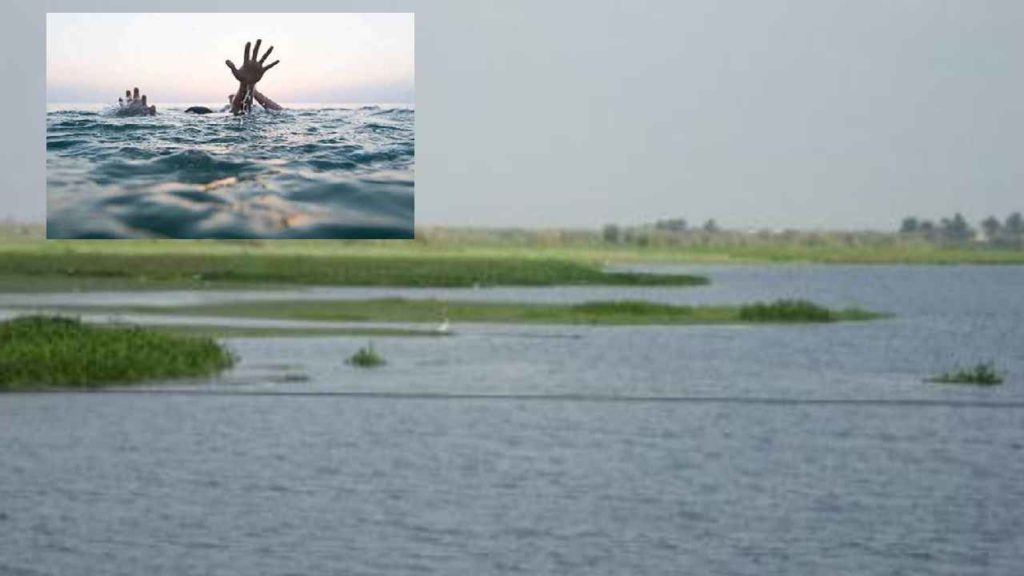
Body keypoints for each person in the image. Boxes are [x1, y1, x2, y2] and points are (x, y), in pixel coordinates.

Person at [118, 39, 282, 116]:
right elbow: (239, 113)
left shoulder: (240, 107)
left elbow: (242, 111)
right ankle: (141, 113)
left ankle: (141, 114)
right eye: (232, 98)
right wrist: (247, 87)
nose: (232, 97)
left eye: (234, 98)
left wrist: (249, 87)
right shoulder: (227, 111)